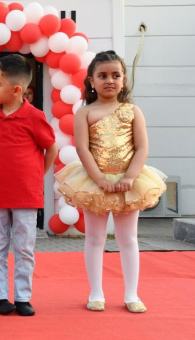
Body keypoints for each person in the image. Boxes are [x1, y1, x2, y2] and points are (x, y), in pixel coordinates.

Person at [56, 51, 166, 313]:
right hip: (95, 183)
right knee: (95, 238)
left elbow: (142, 148)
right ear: (91, 80)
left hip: (129, 183)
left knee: (128, 239)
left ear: (123, 79)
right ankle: (96, 293)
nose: (109, 80)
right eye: (103, 75)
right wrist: (98, 178)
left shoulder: (132, 111)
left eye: (116, 75)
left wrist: (130, 177)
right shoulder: (85, 112)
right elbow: (82, 148)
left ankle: (132, 294)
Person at [0, 54, 57, 317]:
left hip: (26, 195)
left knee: (24, 248)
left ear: (16, 90)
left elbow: (51, 148)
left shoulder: (34, 116)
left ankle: (23, 297)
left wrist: (37, 176)